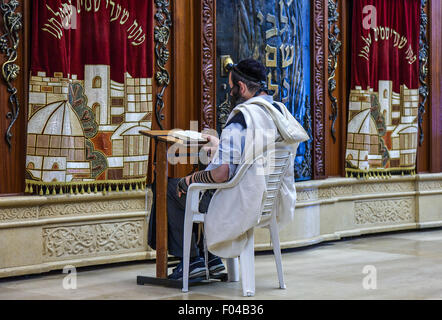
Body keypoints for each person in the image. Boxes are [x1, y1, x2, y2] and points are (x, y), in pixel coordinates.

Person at [148, 58, 308, 280]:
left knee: (171, 188)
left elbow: (222, 174)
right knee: (195, 187)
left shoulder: (241, 118)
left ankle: (192, 261)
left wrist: (190, 180)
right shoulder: (277, 113)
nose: (230, 92)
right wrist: (218, 145)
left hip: (238, 202)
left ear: (241, 88)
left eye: (231, 87)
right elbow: (252, 158)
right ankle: (211, 260)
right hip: (264, 200)